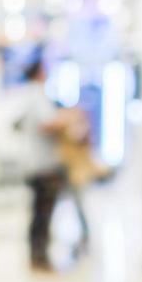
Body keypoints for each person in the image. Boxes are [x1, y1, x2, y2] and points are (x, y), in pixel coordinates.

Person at [13, 59, 65, 271]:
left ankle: (37, 257)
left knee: (37, 213)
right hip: (43, 165)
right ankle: (39, 259)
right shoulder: (37, 95)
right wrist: (67, 121)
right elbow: (46, 123)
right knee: (42, 215)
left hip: (31, 162)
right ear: (41, 72)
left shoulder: (25, 96)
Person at [56, 106, 99, 255]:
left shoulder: (80, 130)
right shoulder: (65, 130)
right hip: (66, 172)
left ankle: (84, 239)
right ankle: (78, 239)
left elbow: (78, 137)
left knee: (79, 208)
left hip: (78, 175)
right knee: (71, 208)